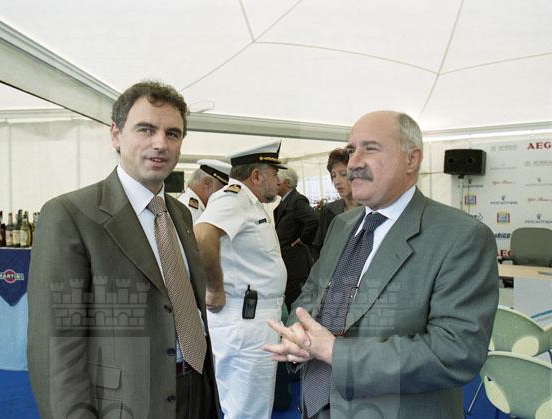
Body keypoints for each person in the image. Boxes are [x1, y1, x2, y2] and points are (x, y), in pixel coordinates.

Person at [263, 111, 499, 418]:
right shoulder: (342, 225)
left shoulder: (461, 236)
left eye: (370, 149)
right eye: (351, 151)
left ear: (412, 159)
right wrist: (299, 331)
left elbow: (457, 351)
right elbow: (313, 292)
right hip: (316, 402)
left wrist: (335, 352)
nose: (353, 163)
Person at [27, 81, 219, 419]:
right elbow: (55, 343)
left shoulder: (180, 214)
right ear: (115, 135)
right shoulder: (70, 215)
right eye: (146, 129)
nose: (160, 143)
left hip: (197, 389)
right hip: (126, 404)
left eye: (172, 134)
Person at [194, 139, 288, 419]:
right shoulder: (233, 198)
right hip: (247, 319)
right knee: (248, 410)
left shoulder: (251, 203)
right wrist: (214, 288)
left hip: (256, 318)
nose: (278, 180)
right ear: (256, 176)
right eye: (274, 174)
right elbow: (202, 235)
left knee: (249, 407)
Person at [274, 167, 319, 311]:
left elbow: (313, 219)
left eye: (278, 180)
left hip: (296, 263)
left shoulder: (297, 200)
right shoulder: (285, 201)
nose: (275, 183)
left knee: (297, 303)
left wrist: (302, 239)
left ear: (287, 183)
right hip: (288, 262)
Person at [311, 148, 360, 259]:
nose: (337, 181)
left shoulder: (372, 209)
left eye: (343, 174)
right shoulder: (329, 211)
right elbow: (319, 248)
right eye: (334, 176)